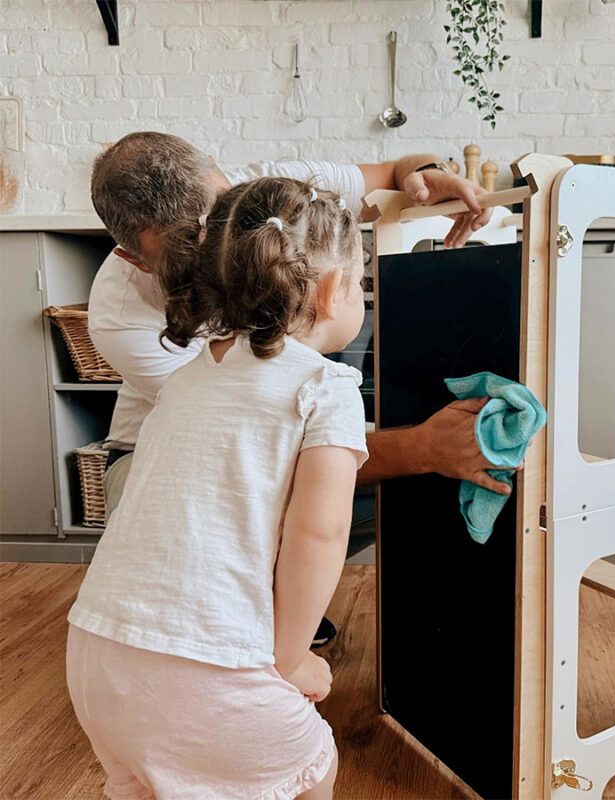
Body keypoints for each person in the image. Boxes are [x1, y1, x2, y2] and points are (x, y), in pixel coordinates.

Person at [88, 132, 519, 645]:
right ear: (135, 260)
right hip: (169, 455)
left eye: (222, 223)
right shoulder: (121, 318)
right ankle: (228, 612)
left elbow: (396, 170)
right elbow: (253, 456)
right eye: (187, 250)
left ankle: (262, 600)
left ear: (223, 175)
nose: (219, 255)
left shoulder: (270, 192)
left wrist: (426, 174)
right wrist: (423, 447)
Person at [67, 176, 370, 800]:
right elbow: (319, 533)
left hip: (97, 656)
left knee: (149, 782)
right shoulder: (327, 387)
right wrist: (290, 659)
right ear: (332, 290)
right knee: (314, 765)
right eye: (361, 282)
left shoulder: (184, 380)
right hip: (207, 674)